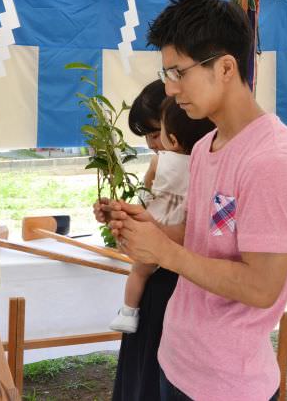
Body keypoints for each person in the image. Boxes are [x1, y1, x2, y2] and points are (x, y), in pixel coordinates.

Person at [97, 0, 287, 401]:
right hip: (178, 359)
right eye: (166, 75)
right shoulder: (204, 147)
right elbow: (202, 238)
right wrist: (150, 229)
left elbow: (262, 286)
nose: (171, 89)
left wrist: (164, 252)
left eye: (179, 73)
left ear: (226, 68)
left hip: (226, 384)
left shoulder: (271, 161)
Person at [110, 97, 214, 334]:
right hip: (175, 245)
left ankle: (127, 311)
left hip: (162, 249)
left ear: (173, 137)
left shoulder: (161, 161)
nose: (151, 145)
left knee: (139, 272)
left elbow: (146, 198)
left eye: (157, 134)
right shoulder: (203, 165)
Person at [108, 79, 175, 401]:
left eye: (153, 133)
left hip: (177, 283)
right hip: (155, 281)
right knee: (143, 375)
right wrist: (122, 219)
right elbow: (148, 215)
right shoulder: (158, 164)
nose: (151, 144)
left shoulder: (210, 161)